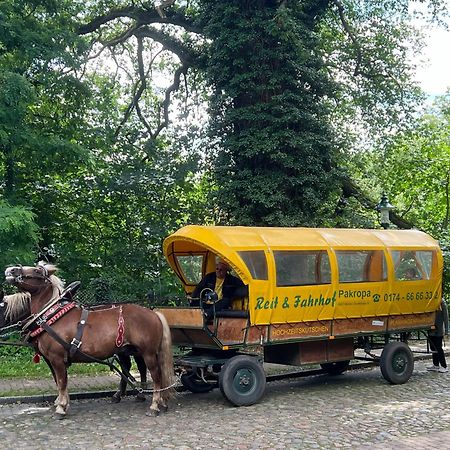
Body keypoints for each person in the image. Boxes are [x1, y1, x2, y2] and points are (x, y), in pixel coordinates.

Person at [427, 299, 449, 373]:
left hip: (438, 330)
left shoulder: (441, 302)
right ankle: (436, 365)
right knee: (433, 347)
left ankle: (444, 366)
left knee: (438, 348)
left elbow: (445, 317)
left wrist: (446, 331)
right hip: (431, 330)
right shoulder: (430, 300)